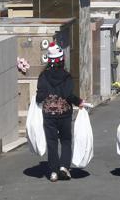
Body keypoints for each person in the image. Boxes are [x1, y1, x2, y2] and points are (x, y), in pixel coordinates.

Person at [35, 42, 83, 182]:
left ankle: (53, 172)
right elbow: (69, 95)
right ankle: (64, 167)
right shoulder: (66, 76)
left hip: (49, 115)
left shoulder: (43, 76)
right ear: (62, 60)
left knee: (52, 143)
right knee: (66, 141)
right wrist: (79, 101)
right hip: (65, 114)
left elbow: (40, 96)